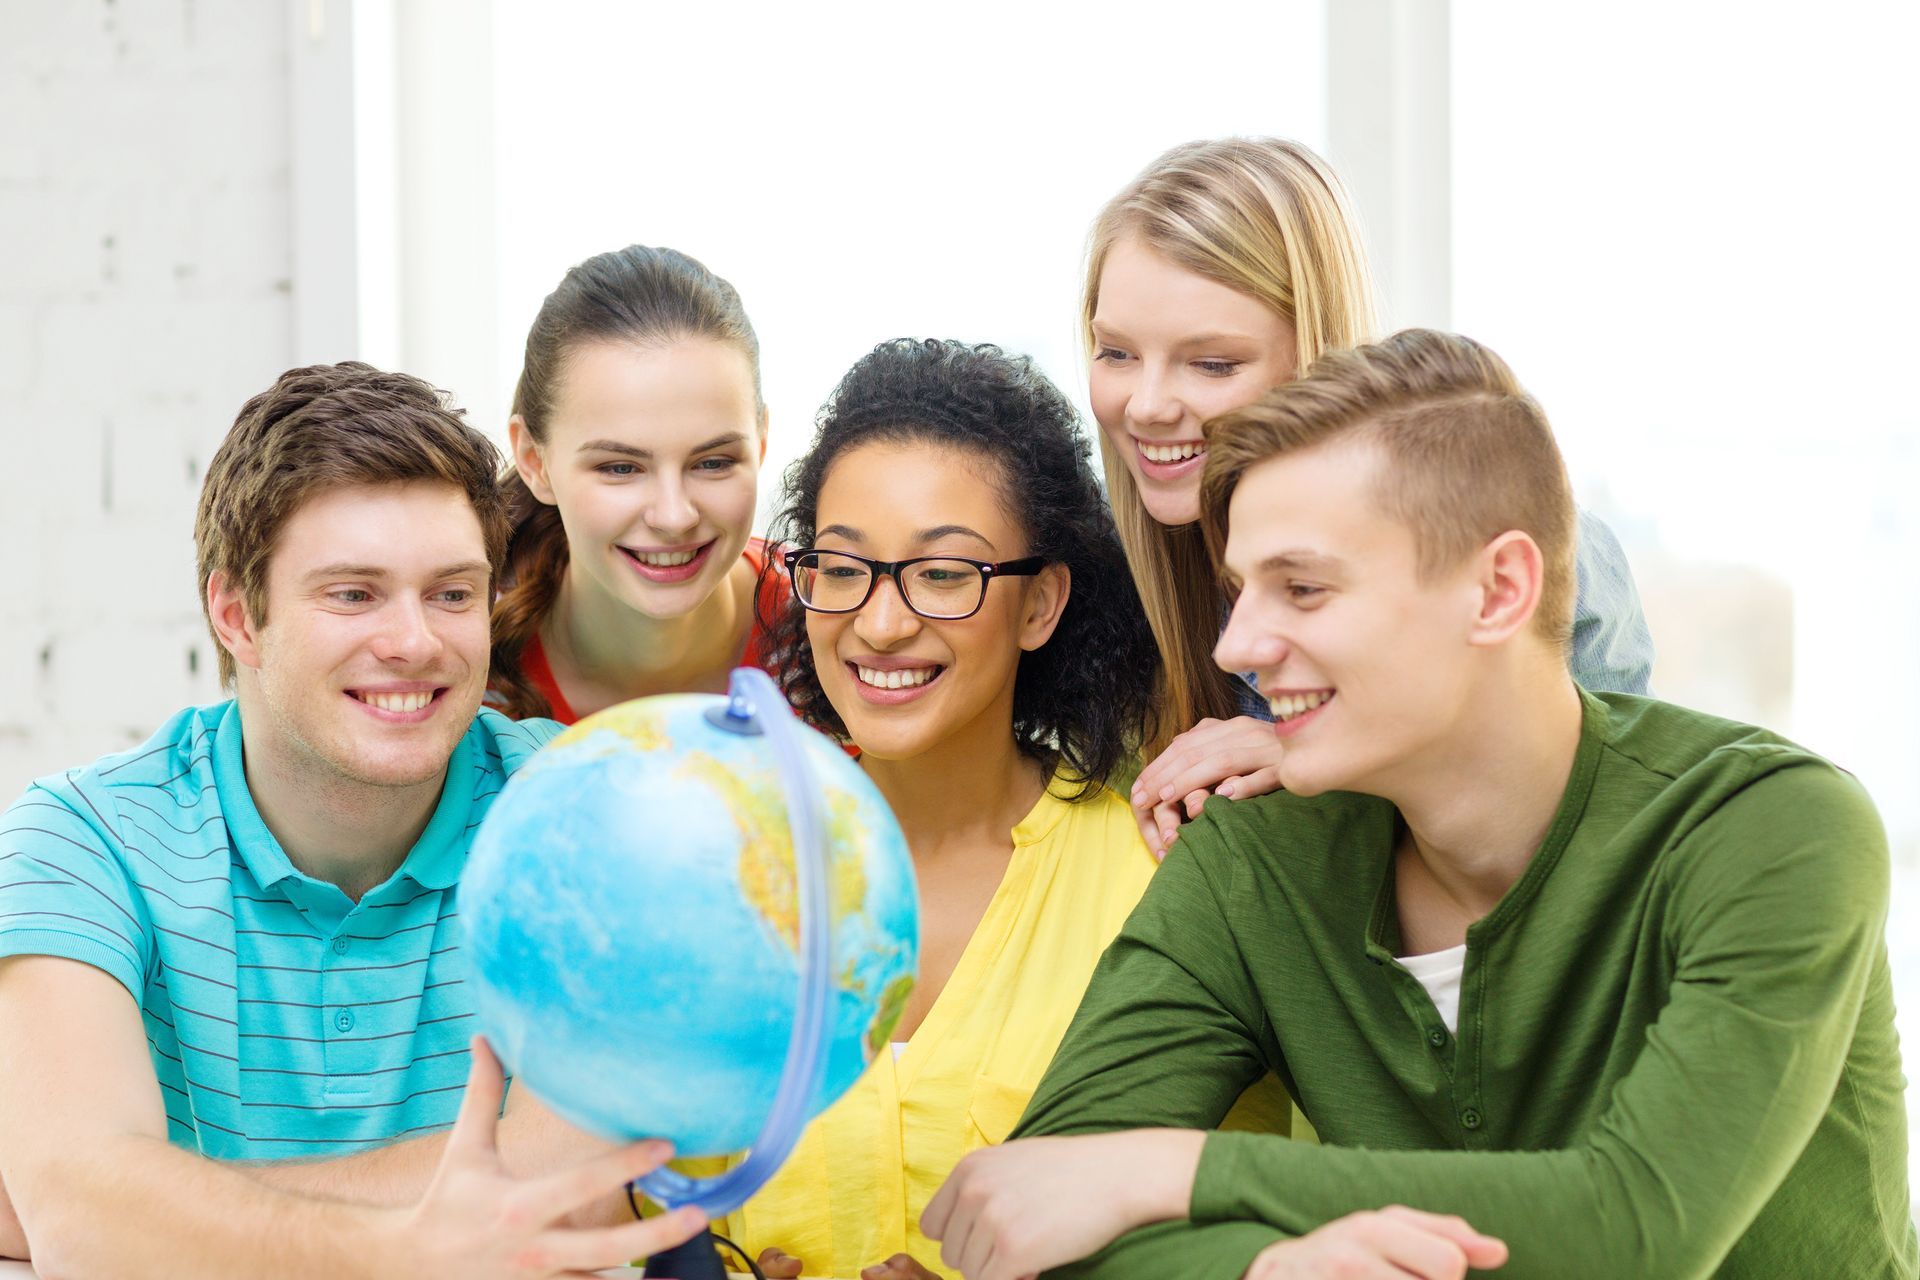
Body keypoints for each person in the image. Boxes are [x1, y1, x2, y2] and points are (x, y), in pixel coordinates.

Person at [922, 330, 1914, 1280]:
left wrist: (1169, 1169)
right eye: (1245, 591)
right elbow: (1039, 1210)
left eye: (1303, 589)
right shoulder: (1249, 860)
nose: (1237, 649)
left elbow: (1637, 1227)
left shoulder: (1773, 827)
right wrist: (1266, 1264)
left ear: (1497, 590)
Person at [0, 363, 706, 1275]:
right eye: (353, 593)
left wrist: (166, 1204)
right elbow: (84, 1214)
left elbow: (582, 1186)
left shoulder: (581, 809)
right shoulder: (80, 841)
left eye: (452, 594)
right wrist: (414, 1243)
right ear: (235, 615)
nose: (414, 642)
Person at [705, 339, 1161, 1280]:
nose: (879, 624)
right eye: (842, 567)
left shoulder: (1154, 886)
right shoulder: (714, 874)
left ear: (1039, 607)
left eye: (944, 575)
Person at [1084, 138, 1656, 855]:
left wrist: (1316, 754)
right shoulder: (1094, 576)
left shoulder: (1545, 553)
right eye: (1116, 353)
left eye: (1211, 363)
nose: (1146, 405)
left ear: (1316, 353)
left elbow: (1608, 843)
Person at [489, 244, 780, 723]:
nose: (674, 516)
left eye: (713, 462)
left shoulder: (845, 632)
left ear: (762, 444)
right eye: (620, 468)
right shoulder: (461, 665)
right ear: (533, 460)